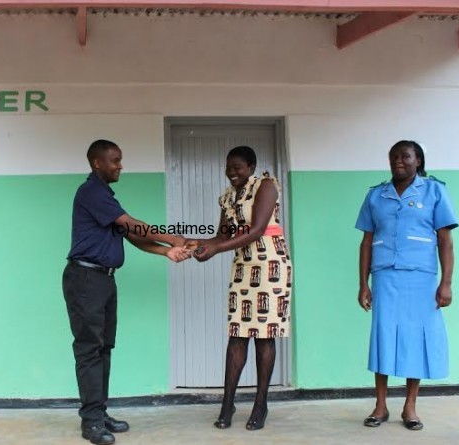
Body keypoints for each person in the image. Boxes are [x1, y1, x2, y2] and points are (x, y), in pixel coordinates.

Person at [62, 139, 192, 445]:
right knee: (89, 350)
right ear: (97, 163)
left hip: (103, 280)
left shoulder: (105, 198)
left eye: (120, 160)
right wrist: (173, 238)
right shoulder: (91, 192)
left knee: (103, 348)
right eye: (115, 160)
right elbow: (131, 224)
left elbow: (130, 235)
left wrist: (165, 252)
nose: (120, 165)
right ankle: (91, 421)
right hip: (86, 280)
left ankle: (99, 412)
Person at [355, 140, 458, 431]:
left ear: (418, 160)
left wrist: (446, 283)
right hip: (385, 275)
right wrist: (363, 284)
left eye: (405, 156)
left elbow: (445, 241)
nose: (398, 161)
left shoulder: (435, 191)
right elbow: (365, 243)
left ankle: (410, 406)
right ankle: (380, 405)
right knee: (383, 337)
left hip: (422, 277)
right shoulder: (377, 195)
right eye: (393, 156)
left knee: (416, 338)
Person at [192, 146, 292, 431]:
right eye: (228, 167)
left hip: (271, 265)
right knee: (237, 335)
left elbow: (258, 228)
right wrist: (194, 244)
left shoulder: (267, 185)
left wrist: (215, 249)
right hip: (243, 267)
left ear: (251, 166)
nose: (232, 172)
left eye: (237, 167)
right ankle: (228, 403)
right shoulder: (226, 197)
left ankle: (261, 403)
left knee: (264, 337)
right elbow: (222, 236)